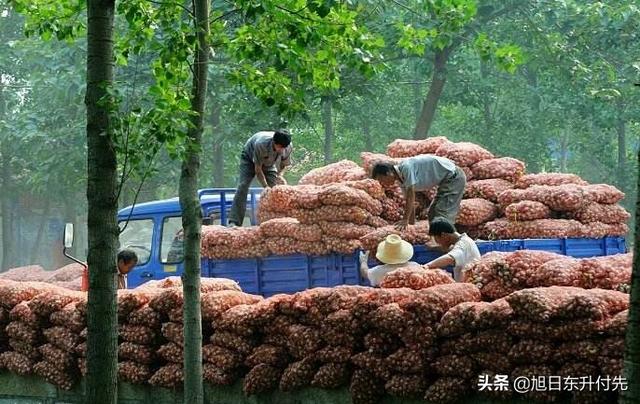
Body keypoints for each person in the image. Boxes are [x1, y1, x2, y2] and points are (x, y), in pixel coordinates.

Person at [371, 154, 466, 229]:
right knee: (432, 214)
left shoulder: (406, 167)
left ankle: (449, 241)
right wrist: (411, 225)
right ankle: (440, 240)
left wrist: (405, 220)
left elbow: (410, 196)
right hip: (445, 181)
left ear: (388, 173)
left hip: (454, 177)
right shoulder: (401, 181)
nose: (383, 183)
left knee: (441, 212)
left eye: (381, 179)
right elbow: (410, 203)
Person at [228, 130, 293, 227]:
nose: (282, 150)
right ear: (274, 143)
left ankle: (275, 221)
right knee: (243, 186)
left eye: (284, 148)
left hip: (269, 163)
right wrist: (265, 186)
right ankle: (234, 221)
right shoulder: (261, 144)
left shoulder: (288, 147)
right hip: (249, 159)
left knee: (275, 189)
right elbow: (258, 170)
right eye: (280, 147)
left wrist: (279, 176)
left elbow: (283, 165)